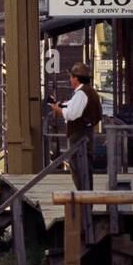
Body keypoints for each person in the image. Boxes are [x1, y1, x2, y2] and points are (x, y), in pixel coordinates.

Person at [48, 61, 102, 190]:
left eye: (71, 77)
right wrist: (62, 105)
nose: (70, 79)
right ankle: (85, 200)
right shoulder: (86, 92)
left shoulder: (82, 94)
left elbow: (71, 114)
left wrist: (58, 110)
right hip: (83, 134)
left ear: (76, 78)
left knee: (79, 168)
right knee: (83, 168)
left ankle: (84, 202)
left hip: (79, 136)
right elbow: (72, 105)